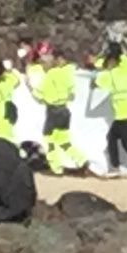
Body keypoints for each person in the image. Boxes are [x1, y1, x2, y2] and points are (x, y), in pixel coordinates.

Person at [95, 43, 127, 178]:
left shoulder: (111, 73)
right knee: (123, 141)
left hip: (121, 112)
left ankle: (119, 168)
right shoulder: (126, 65)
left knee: (120, 141)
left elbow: (98, 80)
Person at [37, 46, 87, 176]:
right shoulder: (65, 73)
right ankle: (80, 159)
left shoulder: (49, 76)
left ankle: (56, 166)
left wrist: (30, 87)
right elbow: (71, 89)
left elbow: (41, 94)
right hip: (64, 109)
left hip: (53, 109)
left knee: (49, 139)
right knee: (63, 140)